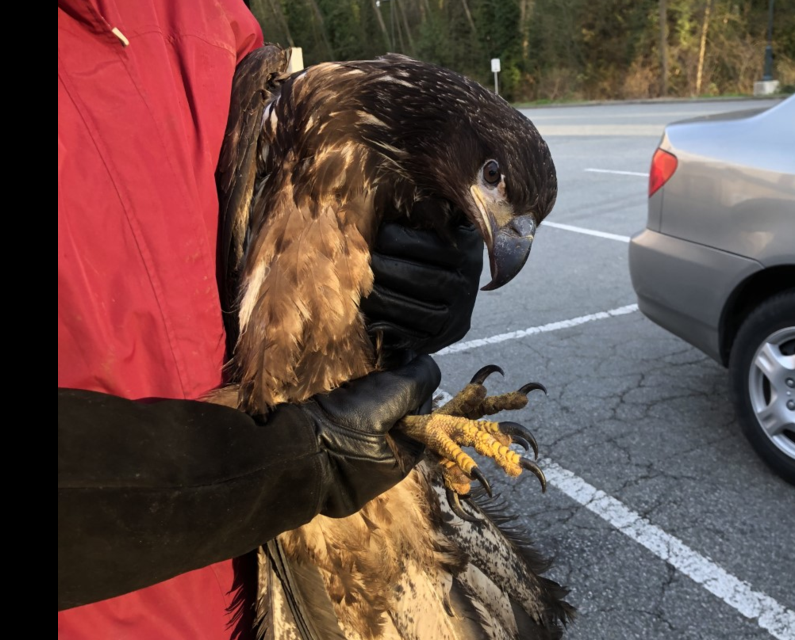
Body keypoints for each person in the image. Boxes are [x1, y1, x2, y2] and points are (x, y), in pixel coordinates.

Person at [57, 1, 483, 638]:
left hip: (260, 576)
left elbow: (278, 194)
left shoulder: (201, 11)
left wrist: (417, 241)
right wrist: (291, 462)